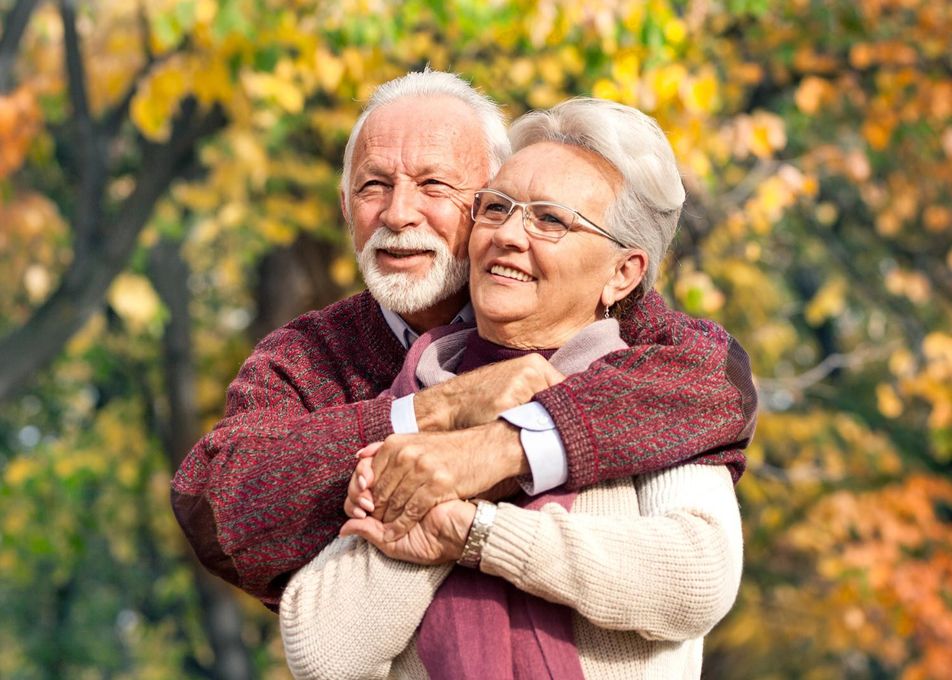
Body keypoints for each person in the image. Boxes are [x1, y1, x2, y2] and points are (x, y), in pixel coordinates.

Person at [170, 70, 756, 611]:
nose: (399, 214)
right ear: (346, 209)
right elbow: (214, 506)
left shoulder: (578, 312)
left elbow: (716, 378)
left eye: (434, 185)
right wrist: (436, 410)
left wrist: (503, 446)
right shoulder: (310, 353)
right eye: (374, 187)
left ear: (486, 203)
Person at [280, 98, 744, 679]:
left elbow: (696, 578)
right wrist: (444, 460)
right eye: (497, 208)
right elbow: (325, 655)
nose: (507, 235)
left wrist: (478, 531)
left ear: (621, 272)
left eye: (550, 219)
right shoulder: (417, 398)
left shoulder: (650, 392)